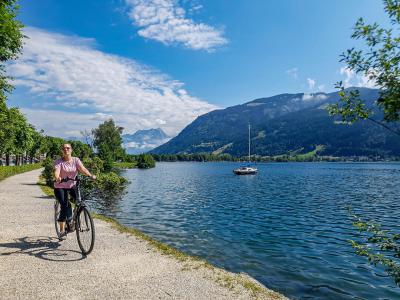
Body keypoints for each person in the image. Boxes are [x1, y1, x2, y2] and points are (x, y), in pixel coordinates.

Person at [54, 143, 96, 239]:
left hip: (72, 185)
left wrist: (90, 175)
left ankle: (73, 219)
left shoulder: (76, 160)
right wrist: (57, 177)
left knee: (79, 201)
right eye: (64, 148)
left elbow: (83, 169)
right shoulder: (58, 162)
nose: (66, 150)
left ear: (71, 150)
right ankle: (61, 229)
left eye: (68, 148)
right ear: (62, 150)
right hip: (60, 186)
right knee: (64, 205)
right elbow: (56, 171)